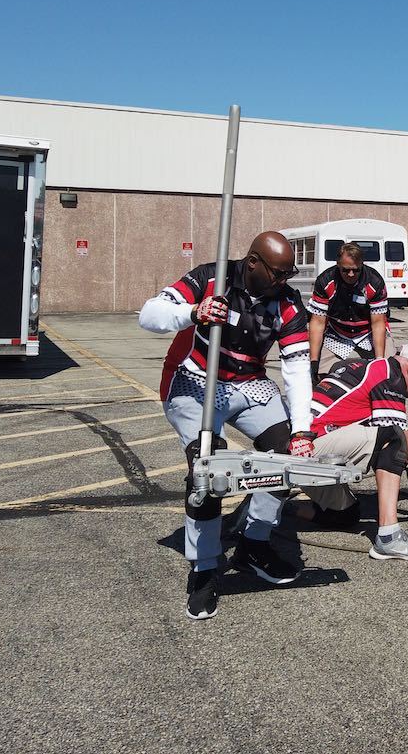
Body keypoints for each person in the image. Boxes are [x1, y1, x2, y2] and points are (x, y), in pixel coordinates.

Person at [138, 231, 313, 621]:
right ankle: (204, 568)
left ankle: (254, 544)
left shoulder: (288, 303)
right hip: (195, 379)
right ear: (252, 263)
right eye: (278, 273)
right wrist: (194, 312)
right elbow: (149, 314)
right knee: (208, 467)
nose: (283, 281)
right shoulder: (210, 277)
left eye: (289, 274)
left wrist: (302, 429)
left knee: (284, 455)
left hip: (249, 384)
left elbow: (298, 369)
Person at [290, 341, 408, 560]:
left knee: (347, 515)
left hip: (300, 448)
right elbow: (401, 436)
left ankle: (286, 511)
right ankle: (389, 538)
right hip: (309, 453)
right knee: (395, 437)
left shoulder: (365, 366)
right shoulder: (390, 377)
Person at [307, 241, 389, 380]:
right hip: (337, 334)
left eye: (356, 270)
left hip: (368, 334)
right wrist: (313, 361)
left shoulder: (374, 282)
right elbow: (318, 323)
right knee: (322, 377)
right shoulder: (325, 281)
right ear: (338, 264)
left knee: (388, 372)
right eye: (345, 270)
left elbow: (378, 324)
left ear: (362, 264)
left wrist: (379, 360)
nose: (351, 274)